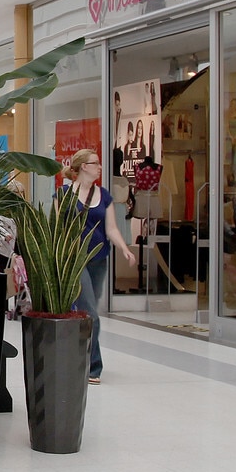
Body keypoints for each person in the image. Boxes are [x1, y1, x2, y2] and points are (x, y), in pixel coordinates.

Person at [64, 148, 134, 385]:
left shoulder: (104, 196)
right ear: (84, 166)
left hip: (99, 259)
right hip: (76, 260)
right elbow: (58, 230)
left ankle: (78, 356)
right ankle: (94, 366)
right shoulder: (64, 195)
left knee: (87, 311)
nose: (100, 167)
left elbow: (111, 228)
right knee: (91, 313)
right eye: (96, 163)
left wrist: (124, 248)